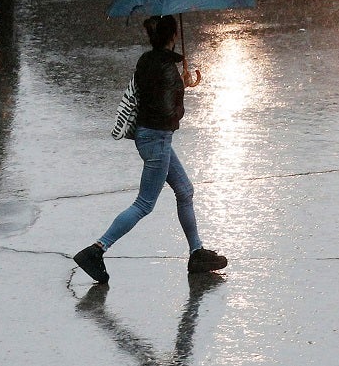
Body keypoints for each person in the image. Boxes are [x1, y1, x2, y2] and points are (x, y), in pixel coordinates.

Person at [74, 15, 227, 284]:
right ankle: (96, 250)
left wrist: (179, 83)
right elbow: (170, 113)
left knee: (185, 191)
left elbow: (150, 93)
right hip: (158, 139)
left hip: (148, 137)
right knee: (144, 204)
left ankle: (197, 253)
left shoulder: (147, 60)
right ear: (173, 37)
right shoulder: (167, 70)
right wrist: (182, 87)